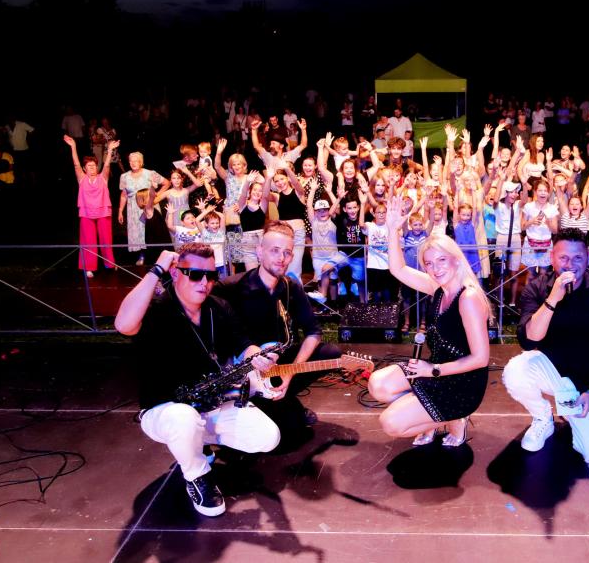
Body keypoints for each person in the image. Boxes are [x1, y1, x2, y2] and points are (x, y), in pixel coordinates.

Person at [114, 243, 282, 517]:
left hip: (210, 404)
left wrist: (258, 356)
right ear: (175, 273)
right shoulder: (156, 309)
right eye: (194, 274)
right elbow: (123, 325)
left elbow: (244, 345)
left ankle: (195, 444)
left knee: (267, 437)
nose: (205, 283)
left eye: (211, 275)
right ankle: (196, 474)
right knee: (184, 419)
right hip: (165, 410)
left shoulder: (218, 307)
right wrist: (156, 269)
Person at [367, 196, 491, 447]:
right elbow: (398, 270)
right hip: (435, 369)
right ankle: (431, 416)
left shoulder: (468, 298)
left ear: (456, 259)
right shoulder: (438, 288)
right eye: (429, 264)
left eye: (442, 260)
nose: (435, 269)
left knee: (391, 423)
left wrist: (432, 370)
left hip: (461, 382)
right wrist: (392, 229)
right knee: (377, 384)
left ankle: (455, 418)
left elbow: (481, 359)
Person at [502, 228, 589, 462]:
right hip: (553, 372)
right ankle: (543, 418)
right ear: (552, 257)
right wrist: (552, 300)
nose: (570, 265)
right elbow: (528, 341)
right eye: (563, 258)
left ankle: (572, 412)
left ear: (588, 257)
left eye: (577, 257)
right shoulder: (537, 288)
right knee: (516, 370)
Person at [216, 220, 342, 436]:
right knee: (287, 432)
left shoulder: (291, 287)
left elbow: (313, 331)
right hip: (244, 370)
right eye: (274, 250)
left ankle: (282, 394)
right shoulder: (231, 287)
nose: (281, 258)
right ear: (259, 251)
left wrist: (291, 372)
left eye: (287, 253)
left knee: (331, 352)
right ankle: (271, 403)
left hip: (279, 365)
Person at [64, 135, 116, 278]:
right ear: (84, 168)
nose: (92, 167)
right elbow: (76, 164)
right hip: (86, 213)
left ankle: (109, 264)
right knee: (88, 241)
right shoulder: (82, 179)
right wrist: (73, 147)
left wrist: (110, 150)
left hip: (103, 212)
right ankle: (88, 267)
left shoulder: (103, 178)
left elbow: (107, 165)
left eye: (94, 165)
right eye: (89, 166)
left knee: (106, 239)